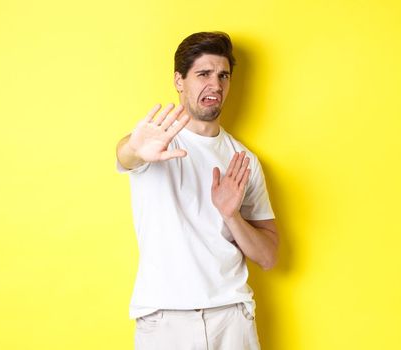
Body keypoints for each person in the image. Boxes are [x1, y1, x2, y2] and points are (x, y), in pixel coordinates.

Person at [115, 31, 279, 350]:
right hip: (164, 322)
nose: (215, 85)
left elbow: (269, 257)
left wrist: (232, 216)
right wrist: (133, 148)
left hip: (231, 319)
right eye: (203, 74)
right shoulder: (155, 143)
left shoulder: (243, 160)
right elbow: (125, 154)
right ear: (179, 80)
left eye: (223, 75)